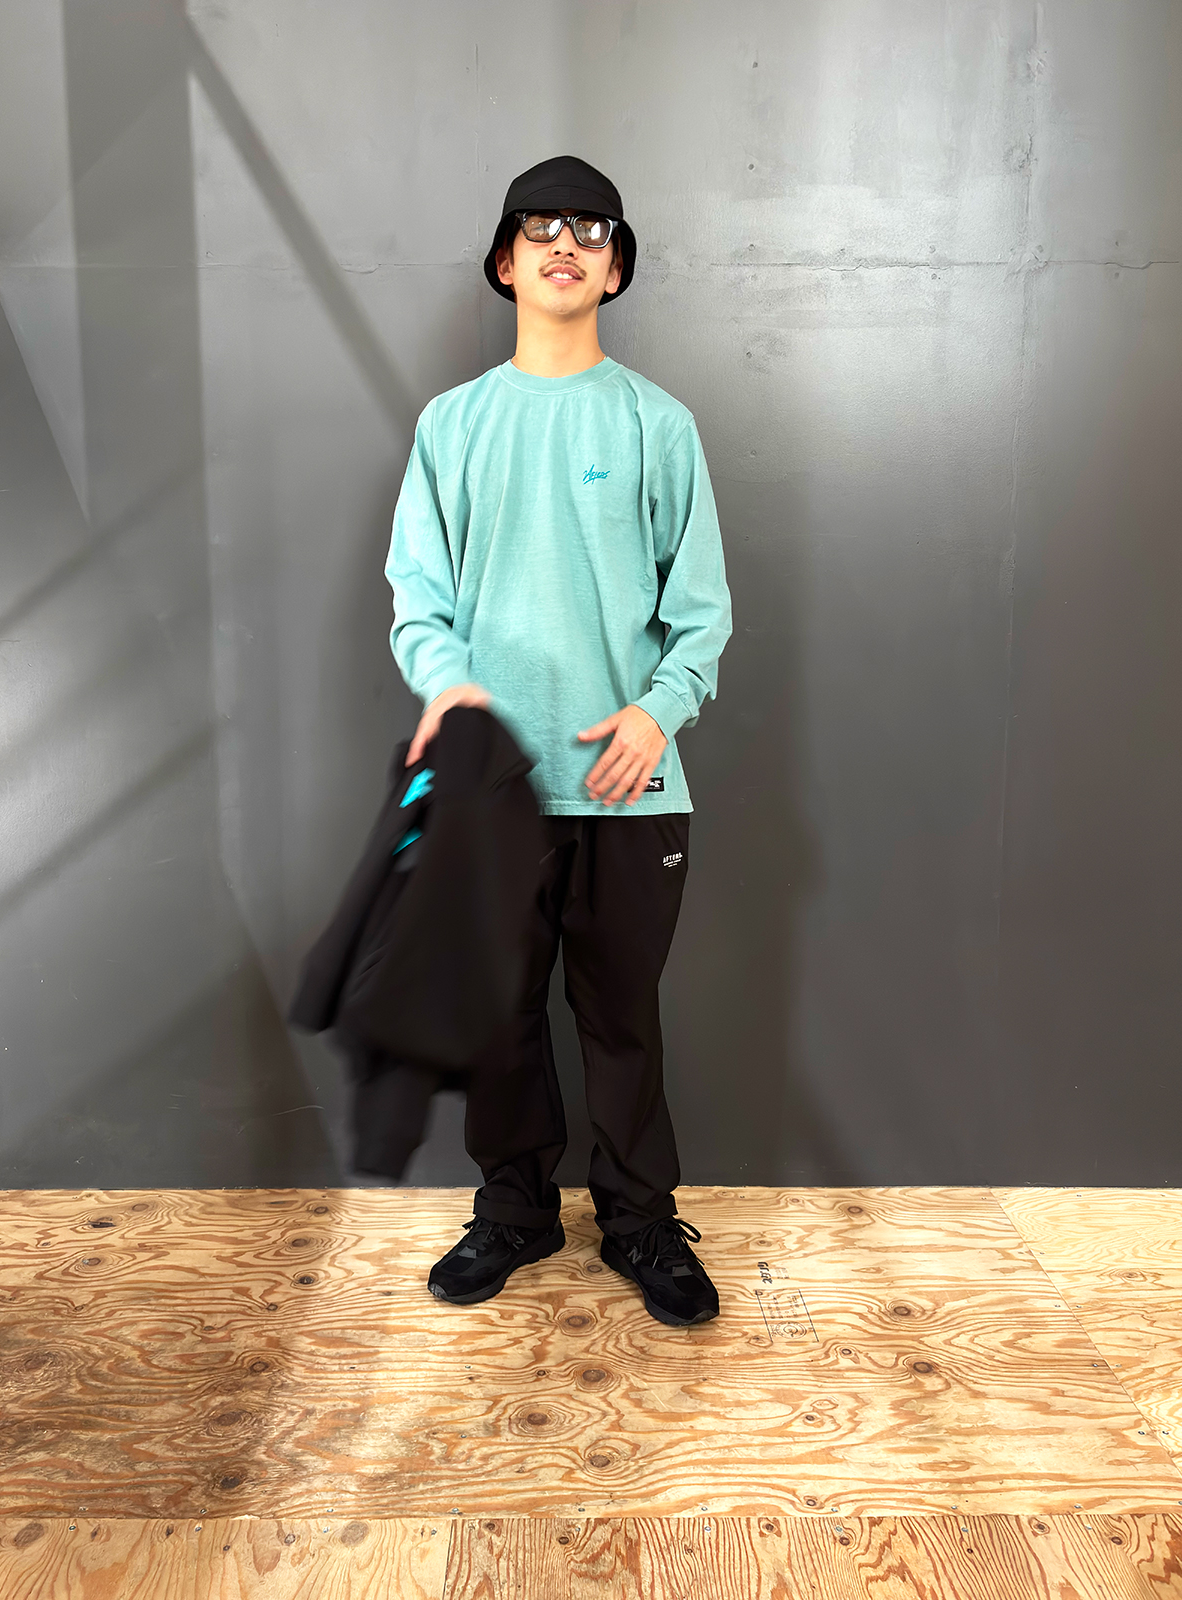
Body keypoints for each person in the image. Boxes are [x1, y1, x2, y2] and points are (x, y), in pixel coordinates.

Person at [384, 154, 733, 1327]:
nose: (566, 243)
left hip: (630, 784)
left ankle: (639, 1219)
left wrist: (657, 709)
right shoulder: (453, 425)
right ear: (506, 260)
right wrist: (450, 692)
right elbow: (418, 595)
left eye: (591, 228)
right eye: (541, 226)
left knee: (623, 1016)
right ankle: (515, 1210)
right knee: (498, 1012)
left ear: (616, 267)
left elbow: (702, 611)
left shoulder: (657, 424)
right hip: (493, 786)